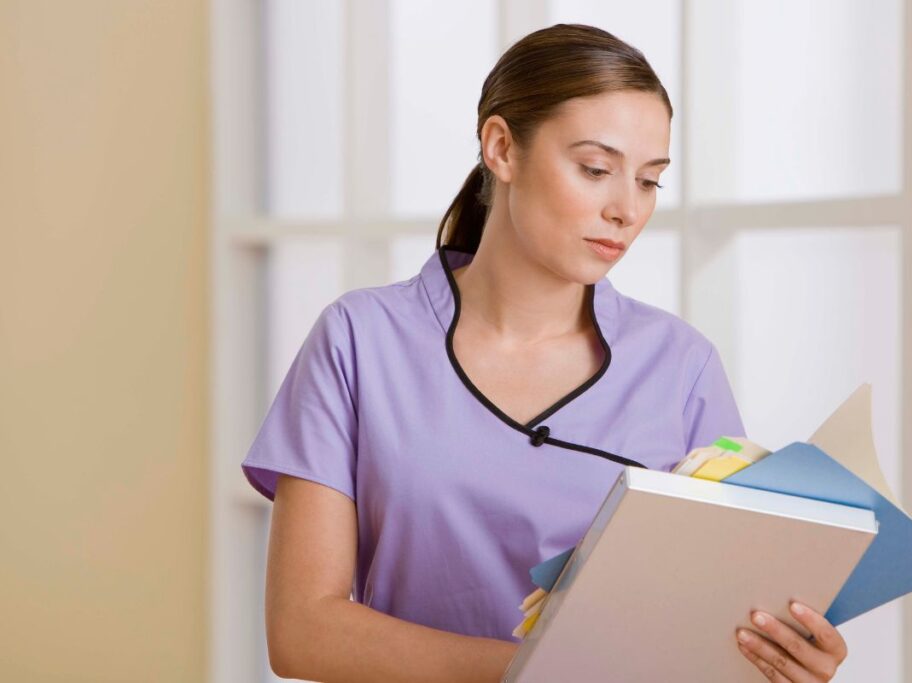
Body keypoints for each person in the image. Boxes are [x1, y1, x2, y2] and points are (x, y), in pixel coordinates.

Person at [241, 23, 850, 683]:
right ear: (501, 148)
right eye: (595, 169)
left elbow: (709, 625)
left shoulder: (680, 367)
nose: (626, 209)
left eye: (649, 181)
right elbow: (303, 631)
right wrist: (542, 670)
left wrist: (778, 658)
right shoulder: (359, 340)